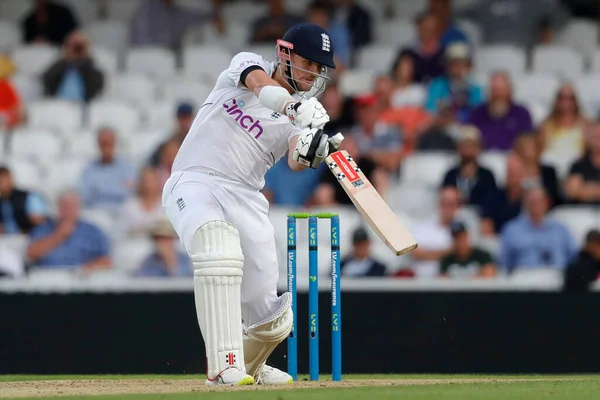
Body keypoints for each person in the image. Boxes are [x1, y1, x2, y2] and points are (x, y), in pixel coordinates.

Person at [162, 23, 344, 386]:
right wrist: (294, 107)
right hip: (196, 180)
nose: (314, 73)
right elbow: (260, 85)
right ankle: (222, 367)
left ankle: (252, 367)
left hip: (246, 197)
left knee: (274, 319)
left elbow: (295, 159)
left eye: (320, 67)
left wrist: (315, 149)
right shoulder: (246, 63)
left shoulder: (305, 115)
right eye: (309, 62)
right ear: (285, 53)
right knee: (216, 247)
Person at [42, 30, 104, 103]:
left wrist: (85, 60)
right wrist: (66, 59)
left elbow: (95, 87)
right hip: (58, 105)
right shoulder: (60, 64)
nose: (76, 50)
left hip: (84, 106)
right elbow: (47, 80)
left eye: (79, 46)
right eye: (73, 46)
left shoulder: (92, 67)